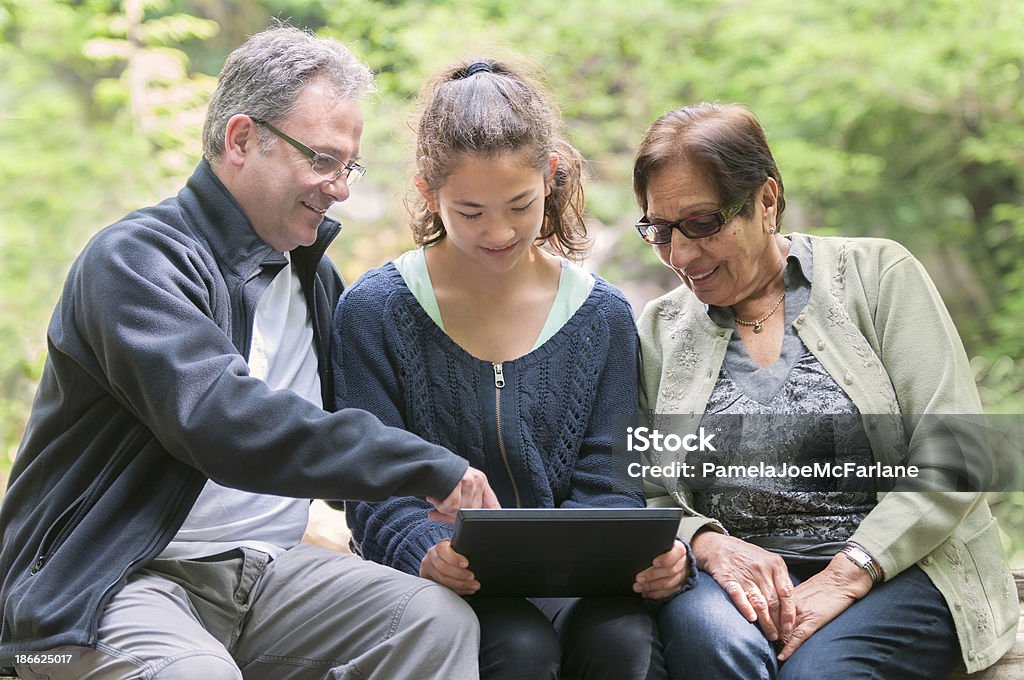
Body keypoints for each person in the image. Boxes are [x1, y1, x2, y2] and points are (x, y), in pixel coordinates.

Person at [0, 25, 502, 680]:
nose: (340, 187)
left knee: (434, 623)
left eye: (348, 166)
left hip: (267, 572)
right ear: (240, 139)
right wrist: (425, 466)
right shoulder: (136, 261)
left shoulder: (313, 277)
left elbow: (348, 435)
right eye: (321, 160)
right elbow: (222, 419)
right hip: (110, 581)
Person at [631, 102, 1020, 679]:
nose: (681, 255)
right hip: (736, 576)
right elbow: (649, 493)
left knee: (817, 672)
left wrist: (848, 572)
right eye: (659, 230)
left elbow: (956, 456)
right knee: (714, 647)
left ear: (766, 200)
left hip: (902, 567)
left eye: (702, 223)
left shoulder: (879, 276)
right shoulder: (662, 329)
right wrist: (709, 543)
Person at [332, 59, 691, 680]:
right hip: (443, 583)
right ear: (427, 193)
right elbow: (371, 483)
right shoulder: (375, 310)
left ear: (550, 177)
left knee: (623, 646)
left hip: (583, 584)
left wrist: (617, 557)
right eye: (469, 212)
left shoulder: (600, 315)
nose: (499, 232)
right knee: (517, 649)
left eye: (519, 205)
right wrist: (424, 550)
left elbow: (611, 483)